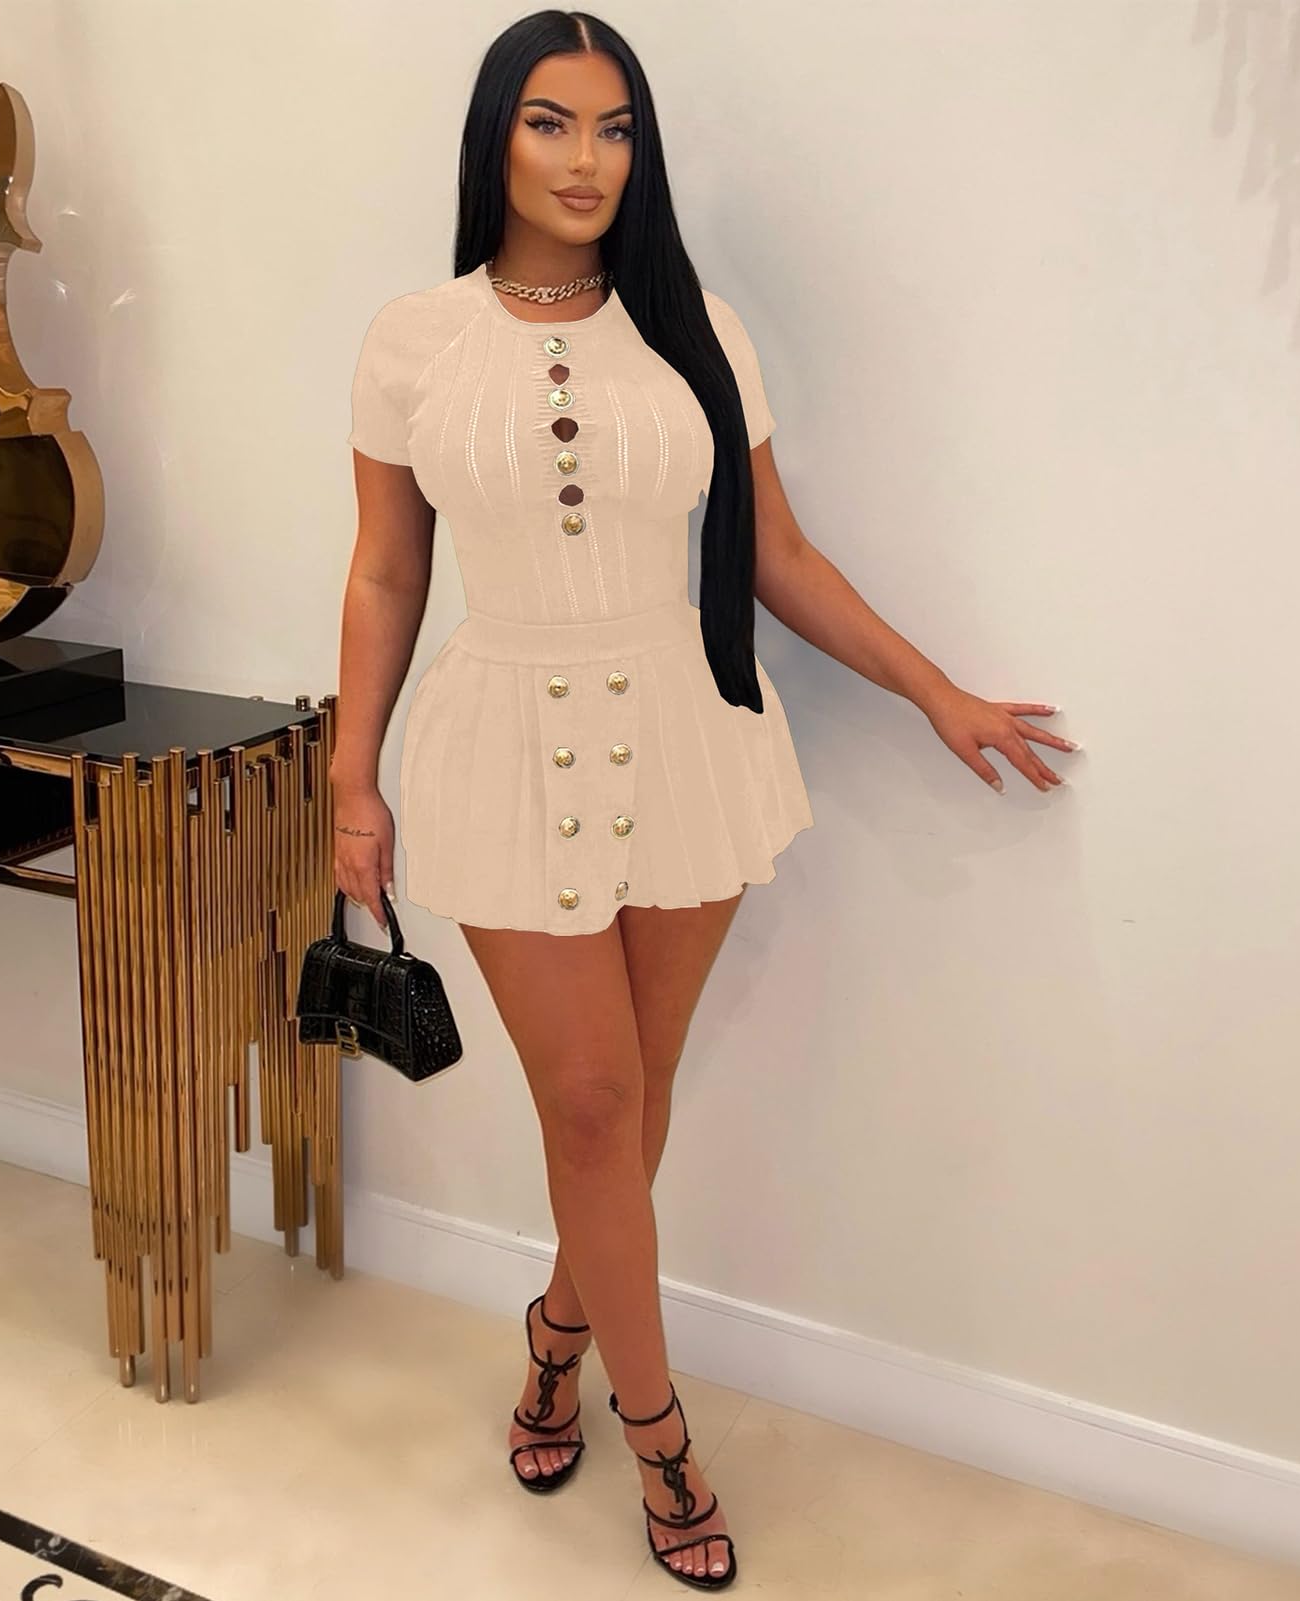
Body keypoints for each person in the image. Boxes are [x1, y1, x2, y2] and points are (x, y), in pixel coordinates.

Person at [331, 11, 1076, 1590]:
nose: (586, 159)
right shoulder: (411, 338)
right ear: (494, 138)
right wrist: (352, 776)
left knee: (631, 1096)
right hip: (499, 739)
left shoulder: (697, 329)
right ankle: (659, 1430)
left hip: (682, 733)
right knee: (594, 1101)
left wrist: (932, 689)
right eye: (550, 122)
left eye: (614, 129)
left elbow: (775, 553)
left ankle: (555, 1336)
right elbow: (387, 568)